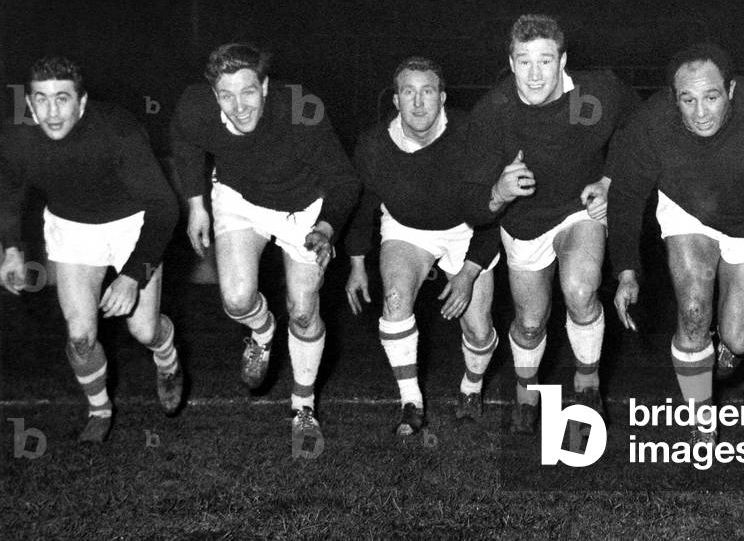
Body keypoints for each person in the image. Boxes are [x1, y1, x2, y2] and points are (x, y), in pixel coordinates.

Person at [609, 43, 744, 443]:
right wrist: (626, 270)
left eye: (711, 97)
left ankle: (730, 347)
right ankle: (700, 420)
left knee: (737, 339)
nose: (700, 112)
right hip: (689, 211)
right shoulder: (651, 125)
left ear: (730, 90)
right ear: (673, 98)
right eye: (687, 100)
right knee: (694, 310)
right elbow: (624, 196)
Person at [170, 43, 359, 446]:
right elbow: (184, 141)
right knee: (238, 299)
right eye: (226, 95)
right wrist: (196, 206)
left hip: (303, 209)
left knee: (303, 311)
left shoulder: (301, 110)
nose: (239, 107)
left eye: (248, 92)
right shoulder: (195, 107)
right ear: (214, 94)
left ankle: (303, 407)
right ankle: (262, 331)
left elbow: (344, 180)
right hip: (240, 199)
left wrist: (326, 229)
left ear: (266, 86)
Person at [462, 14, 638, 434]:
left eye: (545, 60)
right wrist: (500, 192)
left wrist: (610, 181)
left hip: (579, 210)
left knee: (581, 289)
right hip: (523, 223)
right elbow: (472, 206)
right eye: (524, 62)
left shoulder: (597, 93)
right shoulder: (493, 112)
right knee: (529, 322)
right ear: (511, 62)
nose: (535, 74)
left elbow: (640, 129)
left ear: (562, 60)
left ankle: (587, 384)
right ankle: (526, 392)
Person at [0, 56, 183, 443]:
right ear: (29, 103)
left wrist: (132, 275)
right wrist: (11, 248)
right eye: (41, 100)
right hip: (72, 228)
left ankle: (167, 356)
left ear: (81, 102)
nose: (52, 112)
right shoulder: (18, 137)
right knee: (80, 336)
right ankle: (99, 409)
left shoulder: (118, 130)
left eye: (62, 99)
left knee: (143, 329)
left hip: (132, 224)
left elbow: (165, 206)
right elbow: (10, 192)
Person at [345, 57, 501, 436]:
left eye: (427, 91)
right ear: (396, 99)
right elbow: (364, 204)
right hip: (407, 229)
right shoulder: (373, 144)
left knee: (479, 331)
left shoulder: (473, 136)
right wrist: (357, 262)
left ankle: (471, 388)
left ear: (442, 97)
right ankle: (410, 401)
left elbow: (497, 210)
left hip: (469, 229)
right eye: (408, 92)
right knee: (395, 300)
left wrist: (469, 271)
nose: (417, 102)